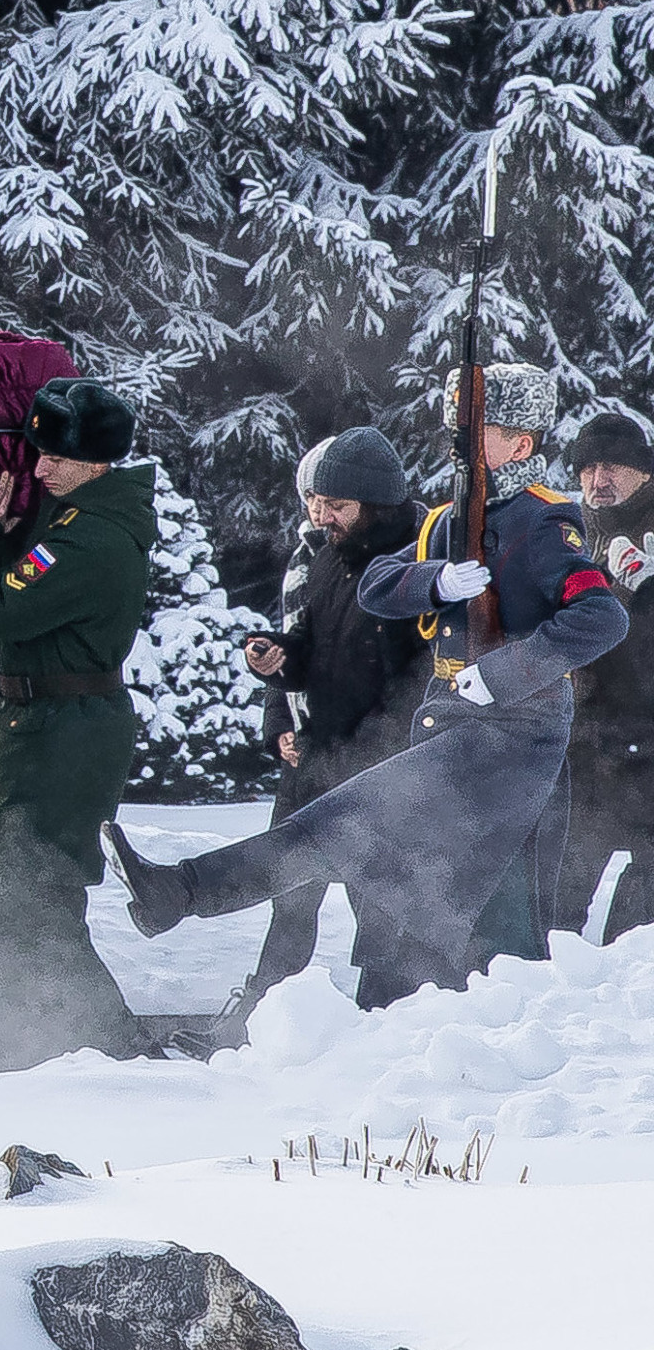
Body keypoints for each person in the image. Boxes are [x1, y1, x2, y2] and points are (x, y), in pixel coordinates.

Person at [108, 365, 630, 1005]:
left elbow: (601, 617)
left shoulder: (544, 523)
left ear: (520, 444)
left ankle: (181, 893)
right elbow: (379, 587)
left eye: (475, 431)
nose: (457, 444)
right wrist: (436, 582)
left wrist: (502, 674)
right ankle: (374, 1019)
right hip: (449, 734)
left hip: (510, 743)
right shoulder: (445, 521)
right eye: (454, 431)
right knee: (397, 890)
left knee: (341, 825)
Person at [169, 427, 422, 1053]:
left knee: (382, 908)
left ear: (375, 503)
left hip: (380, 772)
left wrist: (369, 754)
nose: (319, 515)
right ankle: (257, 1023)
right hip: (317, 759)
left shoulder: (414, 562)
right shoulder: (326, 557)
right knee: (290, 896)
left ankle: (390, 1028)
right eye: (316, 502)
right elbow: (308, 650)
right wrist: (277, 663)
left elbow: (413, 683)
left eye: (334, 505)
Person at [0, 376, 153, 1068]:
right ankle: (36, 1045)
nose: (38, 469)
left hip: (64, 733)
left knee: (38, 898)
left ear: (97, 463)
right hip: (43, 724)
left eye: (55, 459)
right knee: (0, 894)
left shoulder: (86, 539)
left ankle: (113, 1051)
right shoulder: (67, 521)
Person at [563, 411, 654, 943]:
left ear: (643, 471)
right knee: (557, 901)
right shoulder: (570, 532)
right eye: (589, 468)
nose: (600, 481)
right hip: (584, 743)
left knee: (637, 926)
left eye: (615, 467)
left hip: (648, 744)